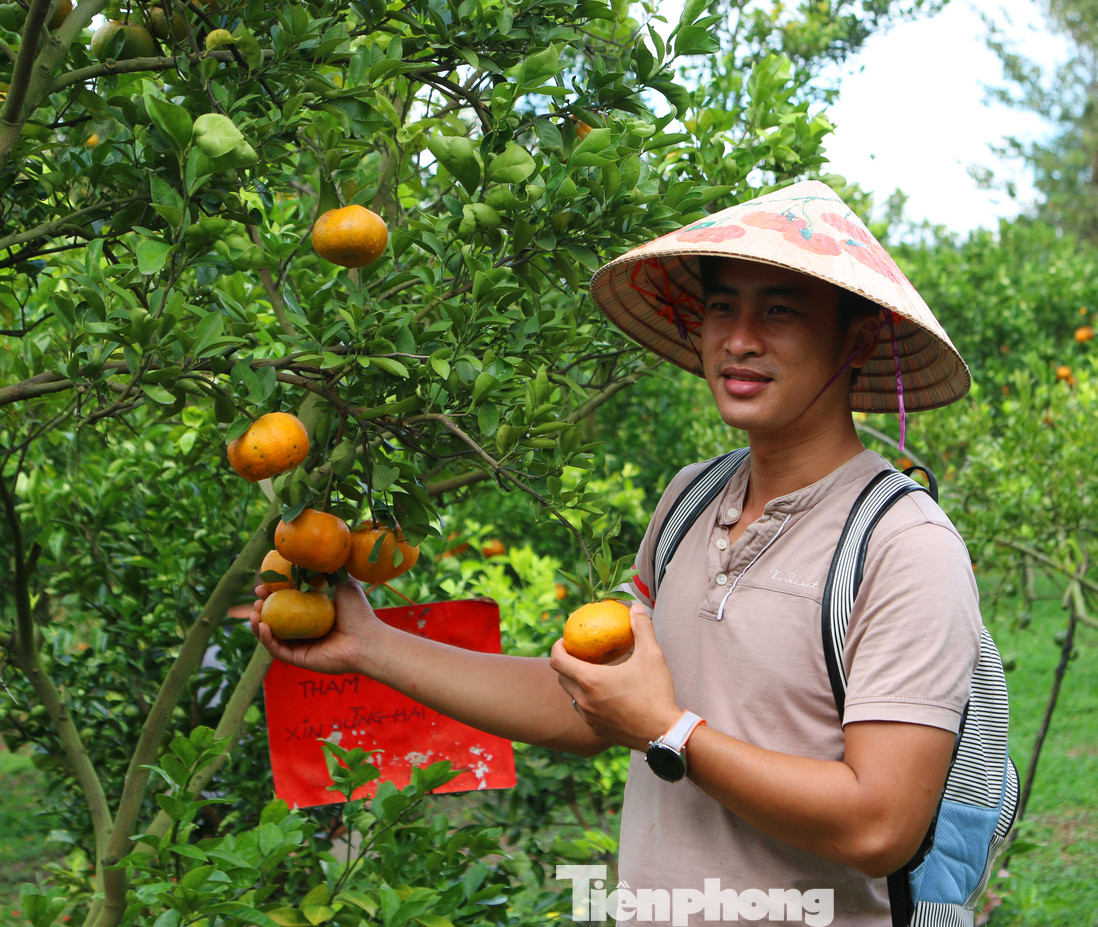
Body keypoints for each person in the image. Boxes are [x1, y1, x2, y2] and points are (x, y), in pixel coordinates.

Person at [250, 180, 982, 927]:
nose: (740, 337)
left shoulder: (904, 546)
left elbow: (880, 826)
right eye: (723, 305)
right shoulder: (690, 501)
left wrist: (671, 732)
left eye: (782, 310)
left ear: (856, 340)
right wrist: (370, 644)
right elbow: (593, 708)